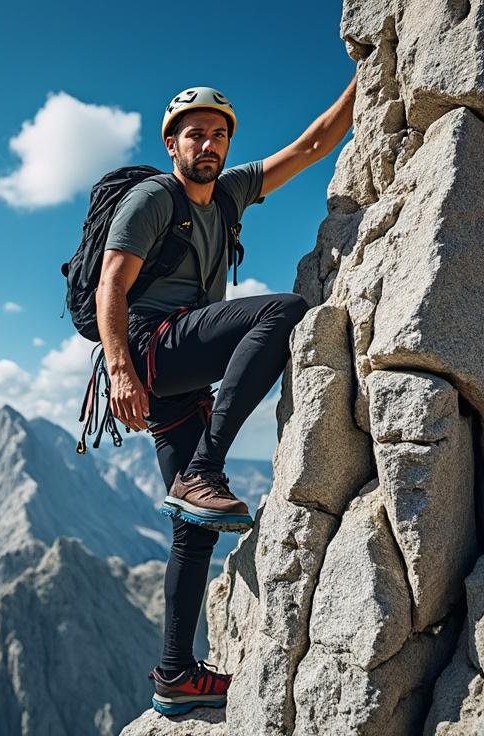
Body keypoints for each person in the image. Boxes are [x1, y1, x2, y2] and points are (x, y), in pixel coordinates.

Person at [95, 80, 355, 716]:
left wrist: (372, 64)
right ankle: (206, 470)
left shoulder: (231, 192)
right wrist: (122, 371)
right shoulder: (153, 199)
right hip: (154, 349)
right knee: (284, 311)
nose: (207, 144)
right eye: (195, 134)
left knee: (195, 529)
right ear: (172, 143)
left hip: (177, 380)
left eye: (218, 135)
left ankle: (174, 676)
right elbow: (111, 285)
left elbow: (313, 144)